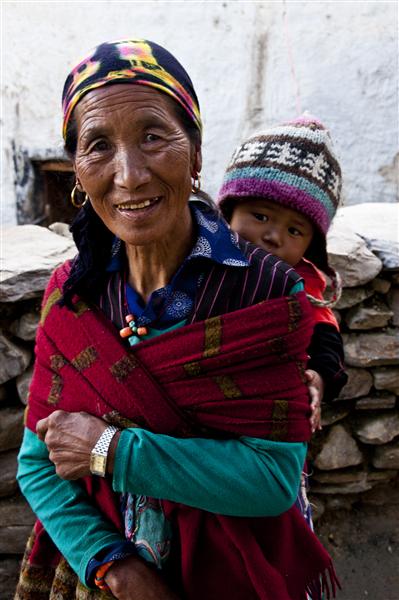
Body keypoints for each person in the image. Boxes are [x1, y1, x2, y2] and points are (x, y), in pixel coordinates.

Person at [16, 40, 338, 600]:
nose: (131, 175)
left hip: (235, 568)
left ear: (195, 152)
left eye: (152, 136)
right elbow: (40, 464)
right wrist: (117, 568)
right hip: (102, 563)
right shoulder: (72, 294)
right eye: (98, 146)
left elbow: (271, 480)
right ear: (77, 173)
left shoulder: (263, 292)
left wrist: (109, 451)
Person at [217, 115, 348, 432]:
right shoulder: (197, 260)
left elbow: (327, 349)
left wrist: (317, 378)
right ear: (228, 211)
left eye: (294, 230)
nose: (274, 236)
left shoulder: (304, 288)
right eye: (260, 216)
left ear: (310, 245)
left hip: (265, 427)